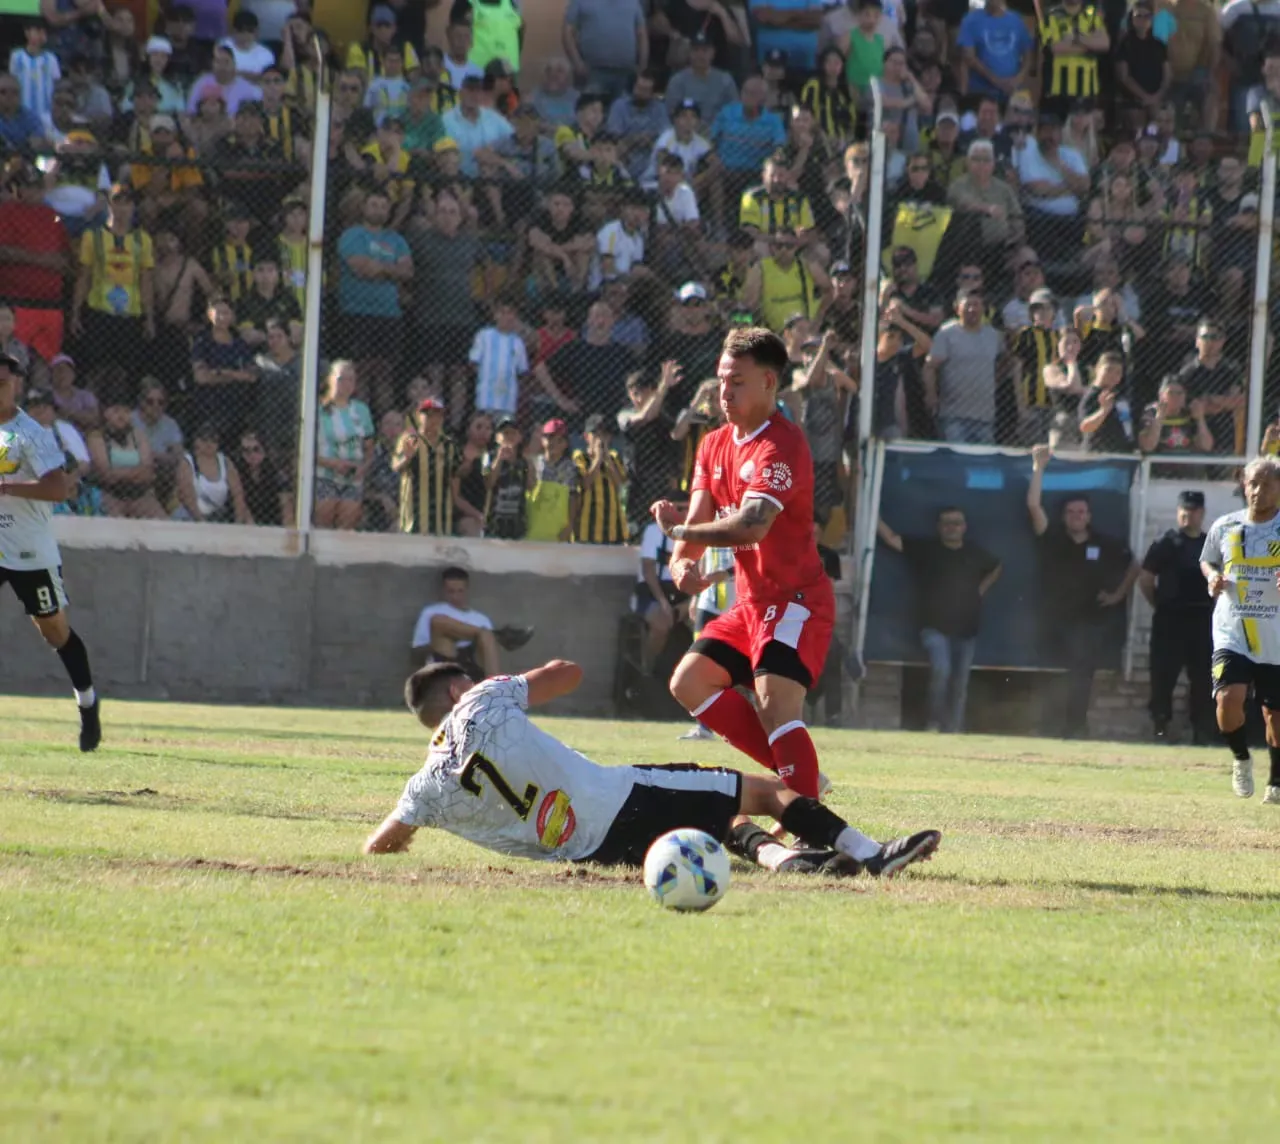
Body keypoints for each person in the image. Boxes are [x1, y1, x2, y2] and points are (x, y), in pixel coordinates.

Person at [362, 660, 942, 880]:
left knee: (713, 817)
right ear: (458, 688)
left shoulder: (426, 786)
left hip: (588, 853)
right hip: (616, 796)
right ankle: (873, 854)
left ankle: (786, 860)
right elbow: (568, 672)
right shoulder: (482, 699)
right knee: (766, 791)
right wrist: (507, 686)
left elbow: (380, 847)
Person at [650, 328, 850, 821]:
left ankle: (812, 827)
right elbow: (696, 517)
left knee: (774, 701)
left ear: (768, 383)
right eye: (721, 380)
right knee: (689, 682)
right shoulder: (714, 444)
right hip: (750, 604)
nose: (724, 392)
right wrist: (680, 562)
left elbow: (753, 525)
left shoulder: (782, 445)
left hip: (796, 600)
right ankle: (800, 780)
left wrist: (684, 528)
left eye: (736, 381)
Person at [0, 353, 101, 751]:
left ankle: (88, 707)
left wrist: (8, 488)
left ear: (17, 385)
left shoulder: (32, 434)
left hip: (29, 552)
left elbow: (58, 489)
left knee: (55, 633)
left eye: (4, 382)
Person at [1027, 444, 1140, 739]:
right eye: (1071, 512)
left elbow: (1137, 565)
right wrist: (1039, 468)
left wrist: (1117, 595)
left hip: (1089, 621)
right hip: (1055, 620)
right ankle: (1053, 725)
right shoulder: (1053, 539)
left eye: (1082, 511)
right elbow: (1033, 507)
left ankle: (1076, 727)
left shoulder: (1105, 543)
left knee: (1081, 675)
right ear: (1064, 516)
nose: (1077, 515)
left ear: (1089, 516)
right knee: (1056, 674)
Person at [877, 508, 1002, 734]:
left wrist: (980, 591)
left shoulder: (975, 553)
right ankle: (934, 723)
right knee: (941, 671)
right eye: (946, 523)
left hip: (967, 628)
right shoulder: (927, 549)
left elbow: (996, 567)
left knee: (960, 682)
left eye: (956, 523)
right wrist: (871, 515)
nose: (951, 527)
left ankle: (953, 727)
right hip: (933, 626)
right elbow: (892, 539)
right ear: (939, 527)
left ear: (964, 527)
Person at [1200, 458, 1280, 803]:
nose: (1258, 491)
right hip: (1233, 630)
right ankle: (1241, 758)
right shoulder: (1226, 526)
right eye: (1253, 484)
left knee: (1274, 714)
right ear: (1243, 485)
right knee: (1228, 699)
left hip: (1275, 635)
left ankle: (1276, 781)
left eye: (1266, 484)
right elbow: (1208, 559)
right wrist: (1212, 577)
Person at [1140, 490, 1214, 744]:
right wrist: (1160, 605)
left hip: (1202, 620)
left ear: (1201, 513)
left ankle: (1201, 732)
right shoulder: (1165, 543)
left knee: (1203, 681)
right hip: (1169, 621)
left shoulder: (1211, 544)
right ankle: (1161, 728)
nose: (1187, 516)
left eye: (1192, 511)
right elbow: (1146, 580)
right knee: (1163, 678)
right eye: (1184, 511)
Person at [409, 565, 533, 678]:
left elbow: (485, 654)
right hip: (442, 657)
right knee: (438, 621)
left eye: (460, 591)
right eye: (450, 591)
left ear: (467, 589)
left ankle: (494, 686)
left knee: (485, 636)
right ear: (443, 590)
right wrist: (453, 635)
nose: (455, 596)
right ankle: (499, 636)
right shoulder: (431, 611)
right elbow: (417, 653)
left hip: (469, 661)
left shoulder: (481, 619)